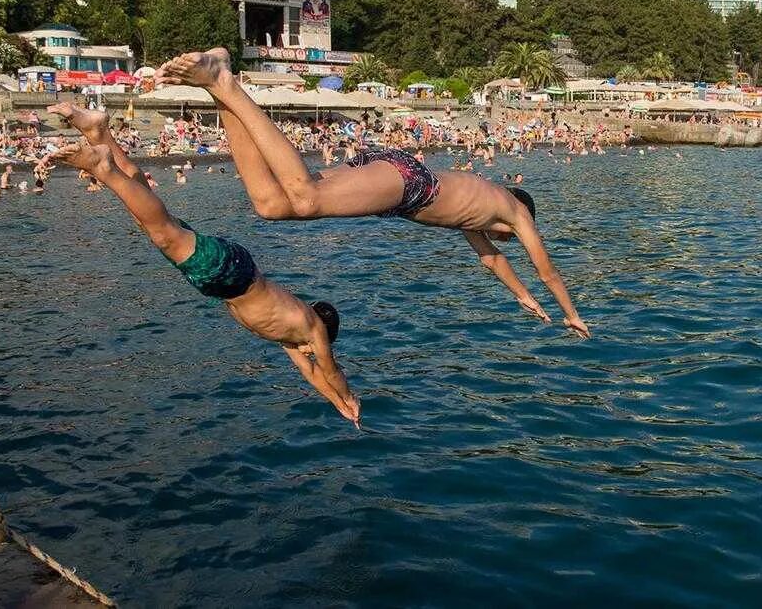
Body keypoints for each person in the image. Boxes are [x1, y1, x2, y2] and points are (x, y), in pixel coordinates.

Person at [155, 49, 589, 337]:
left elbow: (491, 260)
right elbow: (546, 269)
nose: (504, 240)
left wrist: (521, 296)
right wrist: (571, 314)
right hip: (410, 184)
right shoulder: (515, 211)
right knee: (305, 198)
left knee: (271, 205)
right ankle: (228, 83)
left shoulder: (480, 215)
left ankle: (219, 87)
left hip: (398, 178)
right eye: (512, 235)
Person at [40, 103, 360, 425]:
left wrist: (339, 406)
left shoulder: (292, 340)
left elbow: (313, 377)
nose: (312, 359)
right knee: (162, 233)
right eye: (316, 353)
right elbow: (329, 372)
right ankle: (104, 168)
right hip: (231, 274)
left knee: (150, 220)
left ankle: (99, 133)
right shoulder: (312, 329)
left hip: (226, 277)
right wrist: (347, 396)